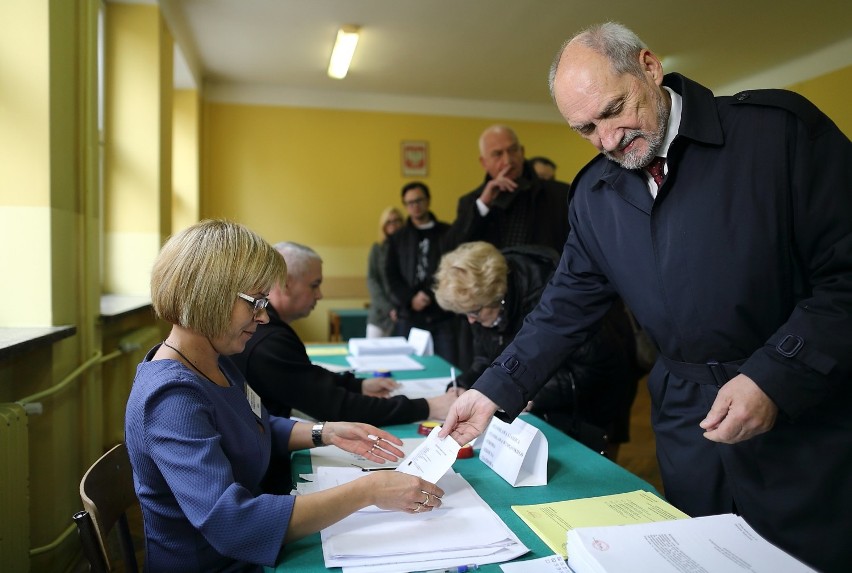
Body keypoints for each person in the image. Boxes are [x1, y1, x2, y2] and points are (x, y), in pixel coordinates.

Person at [440, 22, 852, 573]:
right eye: (585, 129)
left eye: (613, 111)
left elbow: (845, 277)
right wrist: (493, 390)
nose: (607, 140)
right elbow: (564, 306)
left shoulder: (777, 134)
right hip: (687, 420)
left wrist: (774, 375)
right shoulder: (594, 194)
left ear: (650, 68)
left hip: (804, 415)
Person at [125, 220, 444, 572]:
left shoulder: (216, 360)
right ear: (208, 295)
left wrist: (325, 432)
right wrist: (366, 491)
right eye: (255, 302)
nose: (263, 317)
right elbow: (233, 524)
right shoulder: (171, 399)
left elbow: (254, 424)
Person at [433, 241, 638, 459]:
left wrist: (526, 393)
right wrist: (467, 385)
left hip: (591, 410)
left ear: (497, 297)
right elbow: (488, 355)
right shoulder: (485, 303)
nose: (470, 321)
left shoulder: (549, 296)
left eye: (474, 312)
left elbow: (596, 371)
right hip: (547, 412)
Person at [231, 240, 457, 427]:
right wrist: (428, 406)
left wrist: (358, 385)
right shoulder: (269, 340)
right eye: (314, 285)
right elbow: (337, 407)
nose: (319, 295)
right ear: (287, 284)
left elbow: (305, 376)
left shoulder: (269, 333)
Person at [451, 125, 571, 254]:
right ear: (484, 162)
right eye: (497, 154)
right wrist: (483, 204)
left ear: (522, 152)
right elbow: (452, 250)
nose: (508, 160)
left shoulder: (561, 194)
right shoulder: (472, 201)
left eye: (513, 150)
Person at [385, 181, 458, 364]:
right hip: (409, 315)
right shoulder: (398, 238)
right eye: (410, 203)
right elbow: (391, 275)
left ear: (428, 200)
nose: (415, 206)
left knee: (448, 367)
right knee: (406, 366)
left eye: (419, 200)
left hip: (442, 313)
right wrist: (410, 299)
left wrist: (427, 294)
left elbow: (450, 269)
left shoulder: (447, 233)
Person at [366, 206, 404, 338]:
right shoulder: (377, 249)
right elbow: (372, 281)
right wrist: (389, 309)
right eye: (389, 221)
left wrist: (399, 308)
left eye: (397, 220)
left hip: (404, 314)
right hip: (380, 315)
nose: (393, 225)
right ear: (383, 225)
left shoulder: (408, 250)